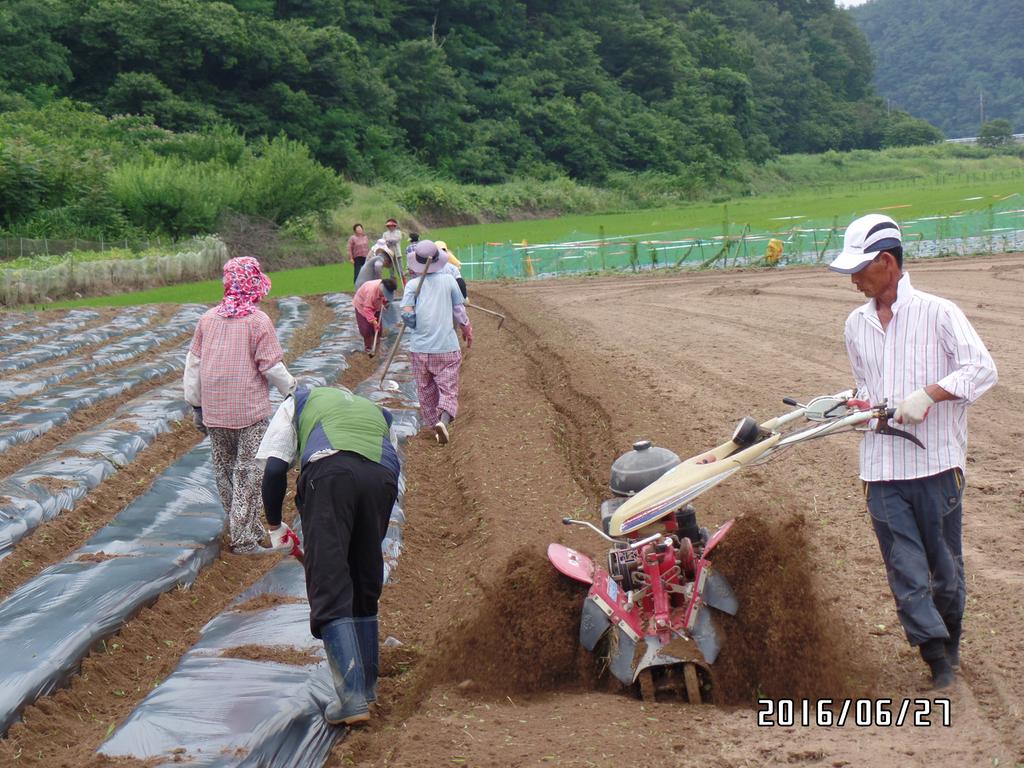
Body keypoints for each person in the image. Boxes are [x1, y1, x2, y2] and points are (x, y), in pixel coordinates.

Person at [828, 213, 997, 689]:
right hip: (881, 465)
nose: (854, 280)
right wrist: (853, 402)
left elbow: (981, 370)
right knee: (904, 568)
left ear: (887, 262)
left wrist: (930, 395)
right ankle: (936, 658)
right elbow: (869, 383)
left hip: (937, 463)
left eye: (860, 269)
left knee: (944, 570)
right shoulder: (855, 325)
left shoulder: (939, 312)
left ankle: (951, 637)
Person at [257, 383, 399, 726]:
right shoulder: (375, 410)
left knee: (329, 578)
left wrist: (275, 526)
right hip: (383, 479)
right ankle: (366, 690)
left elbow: (275, 468)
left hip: (330, 474)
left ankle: (350, 699)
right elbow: (390, 460)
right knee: (364, 576)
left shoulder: (298, 402)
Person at [184, 256, 296, 554]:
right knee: (249, 472)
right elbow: (271, 366)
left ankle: (247, 526)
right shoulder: (257, 321)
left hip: (215, 411)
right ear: (254, 286)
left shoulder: (207, 320)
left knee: (224, 469)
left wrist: (196, 405)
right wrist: (293, 391)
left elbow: (194, 364)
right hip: (249, 412)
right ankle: (243, 539)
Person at [401, 240, 472, 445]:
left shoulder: (412, 286)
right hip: (446, 348)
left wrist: (415, 322)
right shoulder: (449, 280)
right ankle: (443, 421)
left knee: (425, 390)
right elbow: (459, 311)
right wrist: (466, 329)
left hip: (420, 350)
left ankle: (434, 426)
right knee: (448, 389)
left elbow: (406, 315)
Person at [353, 277, 396, 356]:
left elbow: (386, 299)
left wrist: (384, 302)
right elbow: (367, 309)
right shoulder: (371, 292)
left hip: (376, 305)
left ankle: (377, 346)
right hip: (362, 306)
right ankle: (368, 348)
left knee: (378, 329)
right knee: (366, 329)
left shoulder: (385, 287)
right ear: (382, 289)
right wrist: (374, 321)